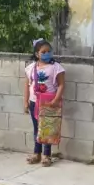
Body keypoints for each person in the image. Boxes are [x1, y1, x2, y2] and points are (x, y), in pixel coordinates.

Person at [25, 39, 65, 167]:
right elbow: (27, 85)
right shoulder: (31, 68)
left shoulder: (56, 67)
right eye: (44, 52)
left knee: (47, 128)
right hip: (34, 102)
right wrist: (25, 101)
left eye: (49, 51)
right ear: (37, 54)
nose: (47, 54)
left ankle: (46, 155)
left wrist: (55, 100)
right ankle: (36, 153)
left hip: (49, 103)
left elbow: (61, 85)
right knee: (37, 128)